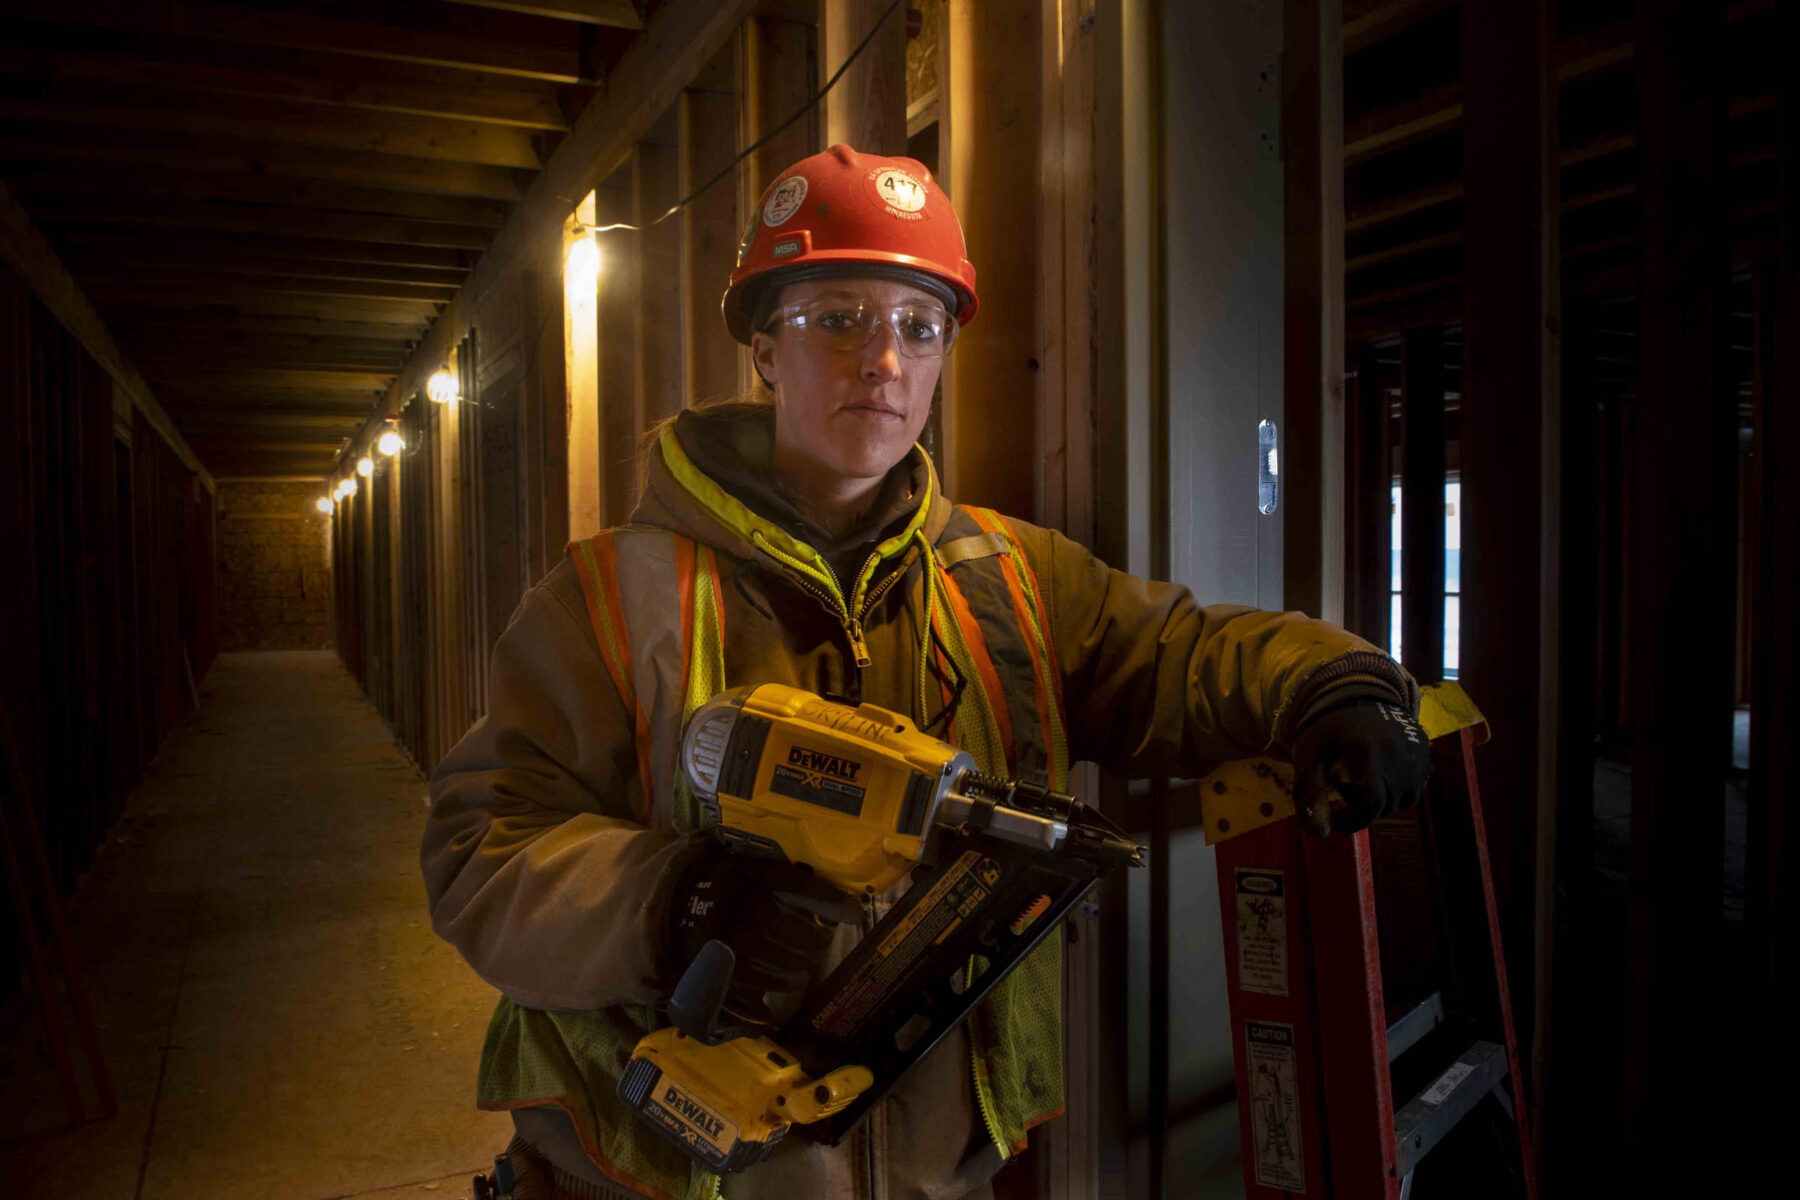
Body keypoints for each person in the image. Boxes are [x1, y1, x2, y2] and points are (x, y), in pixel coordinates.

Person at [423, 144, 1429, 1200]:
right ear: (764, 345)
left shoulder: (1010, 582)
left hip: (933, 1173)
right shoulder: (605, 597)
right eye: (838, 318)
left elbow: (1182, 654)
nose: (884, 361)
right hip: (644, 1172)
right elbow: (479, 849)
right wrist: (668, 905)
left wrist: (1337, 683)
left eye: (918, 325)